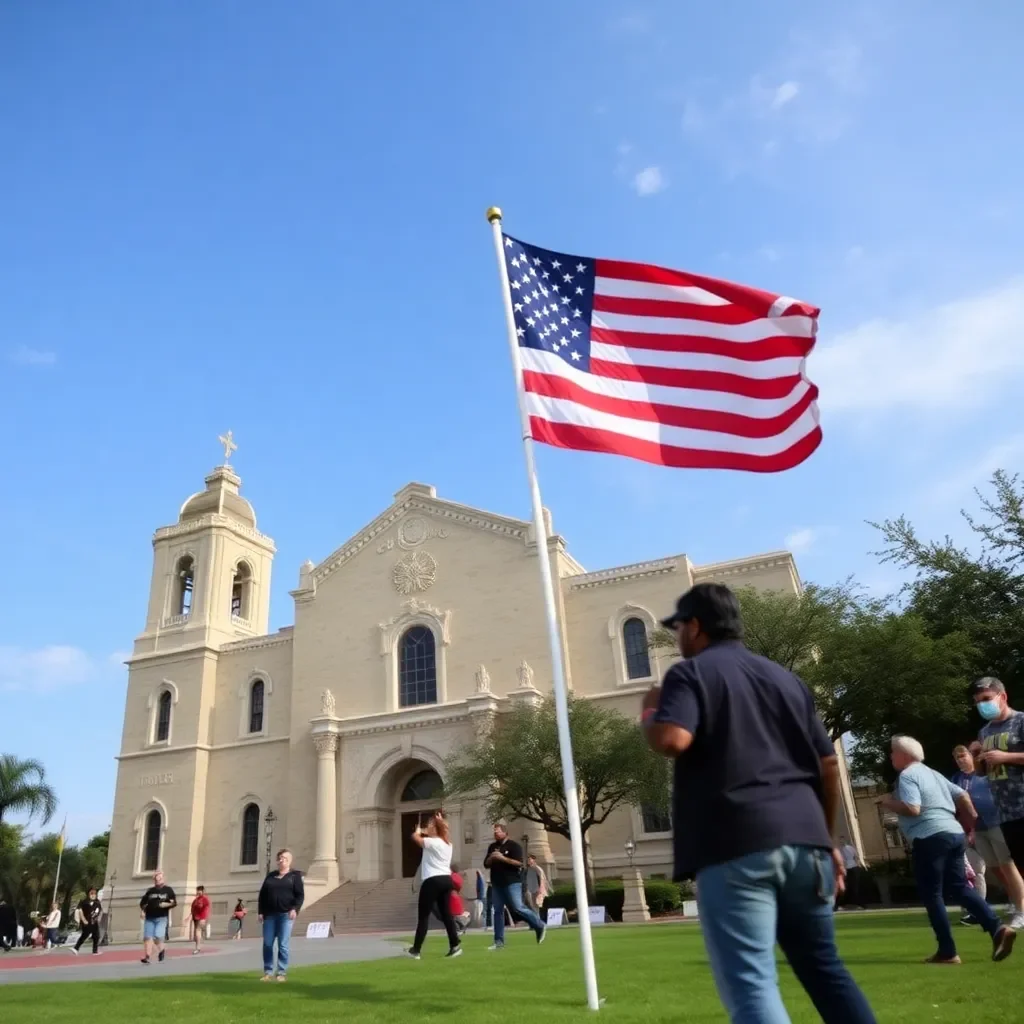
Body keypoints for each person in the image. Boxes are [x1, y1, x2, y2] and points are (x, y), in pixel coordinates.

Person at [643, 582, 877, 1024]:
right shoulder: (786, 679)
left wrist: (650, 711)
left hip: (736, 843)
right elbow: (828, 764)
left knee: (753, 985)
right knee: (827, 972)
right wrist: (826, 838)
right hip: (808, 845)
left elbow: (673, 739)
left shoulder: (690, 674)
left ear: (695, 626)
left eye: (678, 628)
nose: (677, 639)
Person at [882, 734, 1015, 964]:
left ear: (904, 755)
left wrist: (887, 801)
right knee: (959, 887)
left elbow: (913, 809)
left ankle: (947, 951)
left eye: (893, 752)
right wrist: (971, 819)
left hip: (930, 837)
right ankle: (997, 928)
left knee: (931, 894)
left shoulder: (907, 775)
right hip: (954, 834)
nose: (891, 756)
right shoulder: (932, 773)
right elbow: (962, 795)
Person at [951, 743, 1024, 929]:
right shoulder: (956, 779)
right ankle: (1015, 901)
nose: (961, 760)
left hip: (996, 823)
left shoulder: (986, 773)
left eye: (964, 755)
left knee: (1008, 865)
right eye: (957, 758)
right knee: (996, 868)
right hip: (977, 828)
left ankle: (1021, 909)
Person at [971, 677, 1024, 877]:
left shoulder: (1020, 721)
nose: (982, 705)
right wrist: (976, 756)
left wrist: (1006, 756)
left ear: (1002, 696)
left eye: (986, 698)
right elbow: (980, 772)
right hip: (1005, 812)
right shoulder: (984, 732)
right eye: (977, 701)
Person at [406, 811, 462, 959]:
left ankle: (416, 950)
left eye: (430, 826)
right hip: (446, 880)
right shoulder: (448, 844)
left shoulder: (432, 842)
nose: (428, 828)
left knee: (423, 917)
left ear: (435, 829)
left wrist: (417, 831)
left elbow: (415, 838)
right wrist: (437, 823)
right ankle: (454, 945)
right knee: (446, 914)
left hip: (432, 880)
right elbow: (435, 833)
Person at [484, 823, 546, 950]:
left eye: (498, 831)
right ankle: (499, 941)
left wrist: (502, 858)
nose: (496, 834)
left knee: (518, 907)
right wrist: (492, 857)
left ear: (505, 833)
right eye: (494, 832)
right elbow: (486, 864)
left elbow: (519, 863)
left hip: (512, 882)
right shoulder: (492, 847)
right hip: (497, 883)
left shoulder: (514, 846)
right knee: (498, 911)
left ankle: (539, 924)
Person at [257, 849, 304, 982]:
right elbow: (263, 895)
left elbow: (300, 895)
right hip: (269, 915)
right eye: (279, 858)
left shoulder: (295, 876)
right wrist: (261, 911)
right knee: (267, 944)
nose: (281, 860)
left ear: (289, 860)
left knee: (283, 944)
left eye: (284, 858)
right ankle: (268, 971)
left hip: (285, 915)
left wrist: (295, 909)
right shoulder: (271, 876)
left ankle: (281, 972)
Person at [139, 870, 177, 964]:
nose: (157, 880)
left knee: (157, 937)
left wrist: (165, 905)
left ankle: (162, 950)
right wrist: (143, 910)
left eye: (159, 878)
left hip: (161, 917)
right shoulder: (150, 891)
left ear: (163, 878)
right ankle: (147, 957)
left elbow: (174, 903)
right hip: (149, 917)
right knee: (147, 937)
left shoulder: (168, 890)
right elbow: (143, 903)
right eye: (156, 878)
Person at [836, 840, 866, 910]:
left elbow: (856, 857)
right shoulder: (841, 849)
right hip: (848, 868)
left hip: (851, 867)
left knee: (853, 887)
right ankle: (840, 904)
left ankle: (859, 904)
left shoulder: (848, 848)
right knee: (847, 887)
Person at [72, 888, 102, 955]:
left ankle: (95, 951)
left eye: (94, 894)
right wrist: (84, 920)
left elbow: (99, 911)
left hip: (94, 922)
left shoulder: (97, 902)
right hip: (86, 921)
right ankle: (76, 948)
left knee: (96, 936)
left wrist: (98, 918)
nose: (93, 895)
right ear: (88, 894)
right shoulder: (84, 902)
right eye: (91, 894)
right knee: (85, 935)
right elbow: (80, 911)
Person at [189, 885, 211, 955]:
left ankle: (197, 947)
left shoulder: (204, 899)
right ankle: (198, 946)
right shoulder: (196, 899)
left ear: (203, 891)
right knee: (197, 933)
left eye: (200, 890)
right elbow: (193, 908)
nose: (198, 892)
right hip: (195, 917)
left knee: (197, 931)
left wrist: (198, 904)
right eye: (197, 890)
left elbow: (202, 907)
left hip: (201, 917)